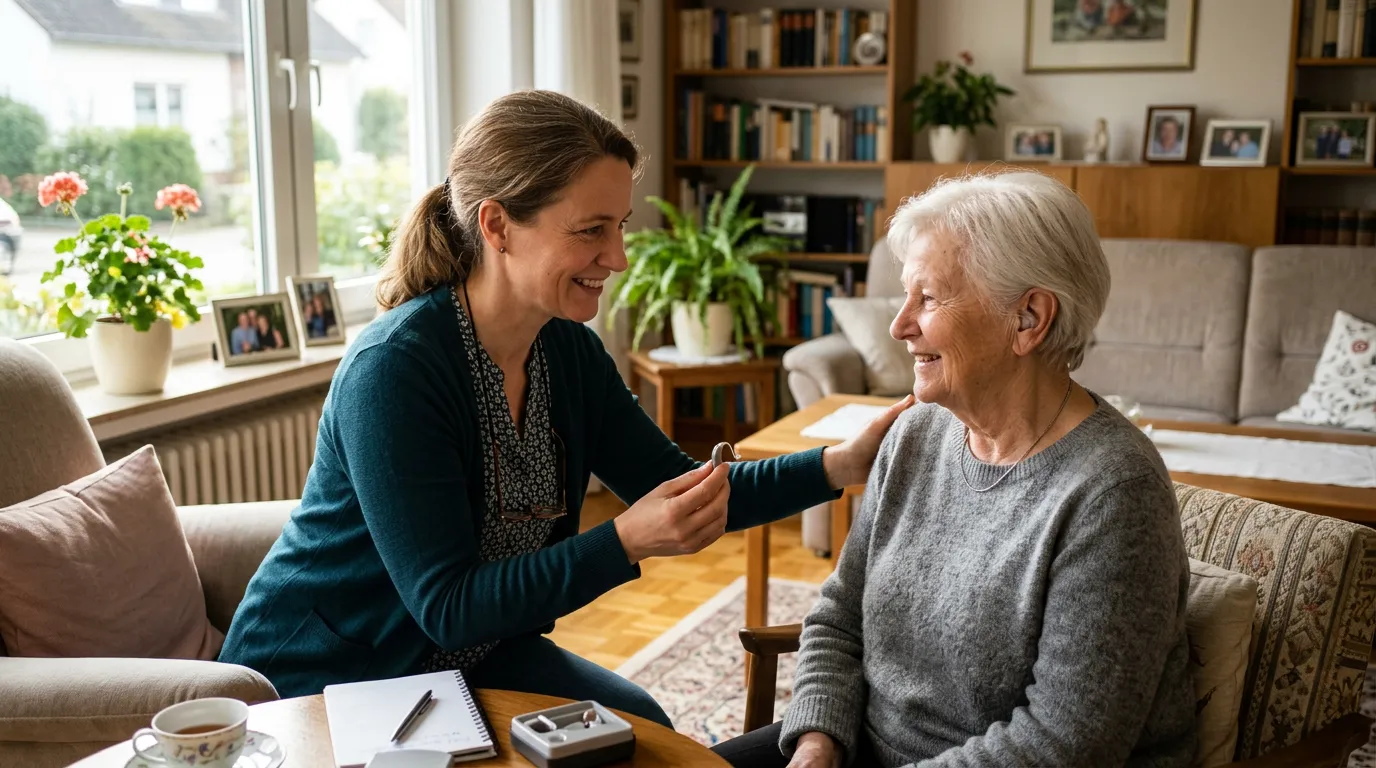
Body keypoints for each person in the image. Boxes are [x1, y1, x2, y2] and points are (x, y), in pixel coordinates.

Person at [217, 90, 908, 726]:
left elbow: (682, 486)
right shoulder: (396, 371)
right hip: (326, 677)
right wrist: (627, 539)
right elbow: (449, 606)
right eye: (590, 230)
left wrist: (843, 463)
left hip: (467, 658)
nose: (618, 255)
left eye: (620, 226)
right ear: (497, 225)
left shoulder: (569, 353)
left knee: (642, 727)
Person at [713, 172, 1196, 767]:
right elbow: (838, 617)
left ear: (1029, 319)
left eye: (929, 298)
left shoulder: (1113, 492)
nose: (900, 325)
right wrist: (818, 742)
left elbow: (1065, 744)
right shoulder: (916, 434)